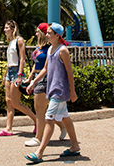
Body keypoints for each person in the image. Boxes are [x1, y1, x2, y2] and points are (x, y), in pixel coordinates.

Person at [24, 22, 81, 164]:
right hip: (51, 89)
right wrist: (33, 82)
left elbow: (69, 72)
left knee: (49, 119)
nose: (46, 34)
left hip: (59, 91)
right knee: (65, 118)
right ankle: (74, 146)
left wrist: (72, 91)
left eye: (49, 32)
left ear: (57, 35)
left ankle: (39, 153)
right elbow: (45, 69)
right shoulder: (50, 50)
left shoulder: (63, 51)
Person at [24, 23, 67, 147]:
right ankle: (64, 127)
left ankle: (38, 138)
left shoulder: (51, 48)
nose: (36, 34)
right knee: (52, 110)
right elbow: (36, 64)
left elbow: (47, 68)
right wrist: (31, 78)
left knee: (41, 110)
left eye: (38, 31)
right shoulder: (39, 48)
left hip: (46, 79)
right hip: (38, 77)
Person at [0, 20, 37, 137]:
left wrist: (19, 75)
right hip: (9, 73)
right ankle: (8, 129)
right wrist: (5, 76)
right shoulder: (10, 42)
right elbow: (9, 62)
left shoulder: (19, 40)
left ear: (13, 29)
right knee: (8, 102)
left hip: (17, 73)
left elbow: (22, 59)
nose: (4, 30)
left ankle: (36, 120)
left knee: (15, 103)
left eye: (7, 27)